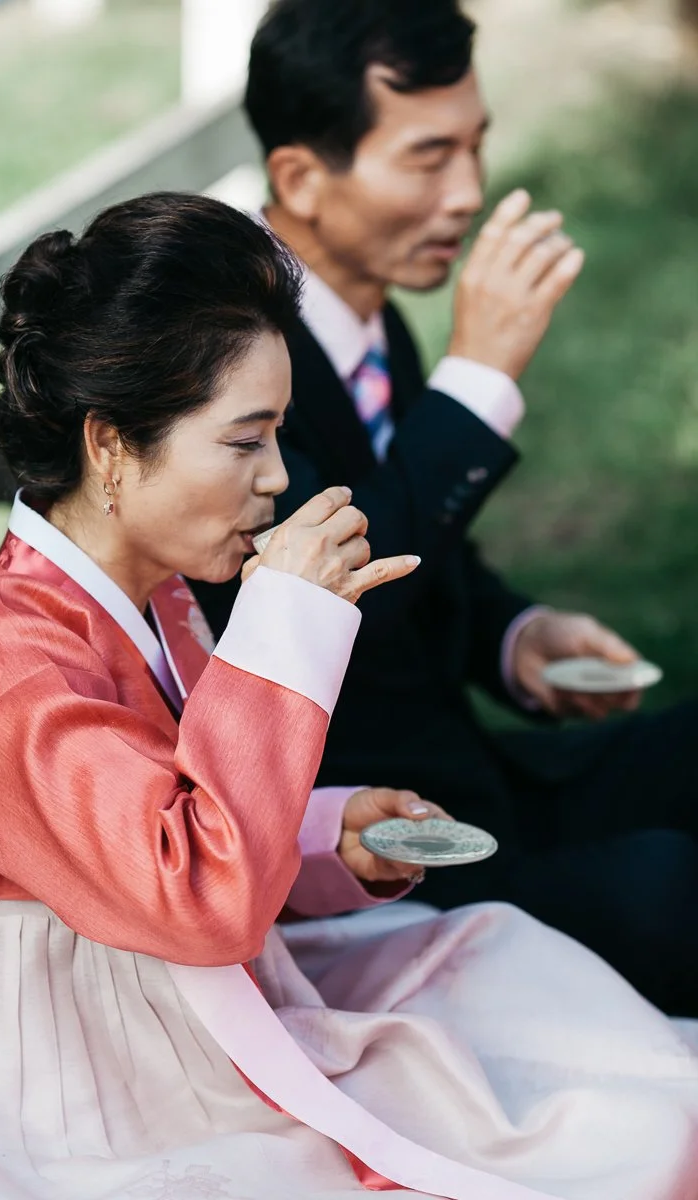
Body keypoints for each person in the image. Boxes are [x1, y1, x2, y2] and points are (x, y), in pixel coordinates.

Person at [0, 191, 696, 1200]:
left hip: (179, 999)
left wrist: (327, 837)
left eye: (277, 435)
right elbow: (194, 897)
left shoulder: (161, 600)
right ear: (107, 447)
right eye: (243, 442)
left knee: (570, 1040)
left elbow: (172, 825)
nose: (276, 477)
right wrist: (281, 627)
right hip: (55, 1070)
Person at [190, 0, 698, 1016]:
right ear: (298, 178)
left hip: (472, 774)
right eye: (427, 159)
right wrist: (475, 385)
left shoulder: (362, 319)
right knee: (666, 891)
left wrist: (513, 637)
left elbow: (422, 542)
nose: (466, 193)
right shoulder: (229, 361)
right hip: (370, 855)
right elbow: (324, 600)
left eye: (474, 148)